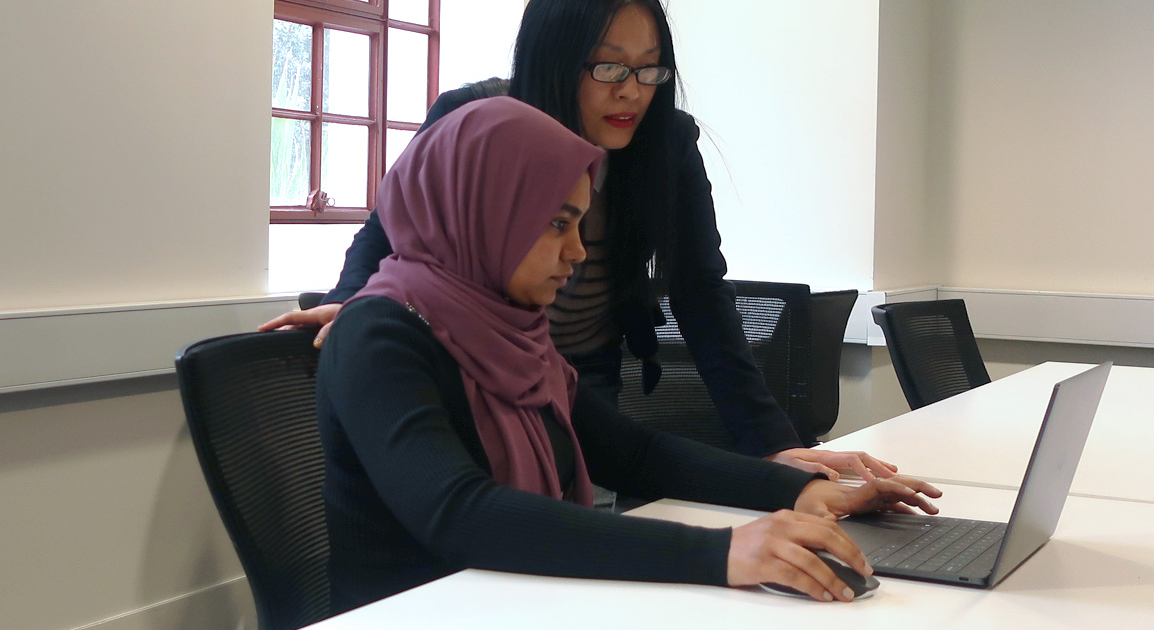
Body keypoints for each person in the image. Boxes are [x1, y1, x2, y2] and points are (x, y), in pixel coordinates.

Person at [265, 0, 894, 481]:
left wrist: (772, 449)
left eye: (650, 68)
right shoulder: (478, 122)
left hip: (579, 369)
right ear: (556, 60)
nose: (632, 90)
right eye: (609, 66)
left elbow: (701, 293)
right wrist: (353, 307)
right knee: (490, 521)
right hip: (467, 362)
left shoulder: (665, 143)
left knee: (582, 502)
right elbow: (391, 232)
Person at [316, 96, 940, 612]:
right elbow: (459, 514)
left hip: (517, 602)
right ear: (484, 212)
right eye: (557, 225)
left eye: (580, 227)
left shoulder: (511, 333)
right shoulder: (380, 336)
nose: (578, 253)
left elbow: (635, 455)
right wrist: (719, 553)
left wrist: (797, 489)